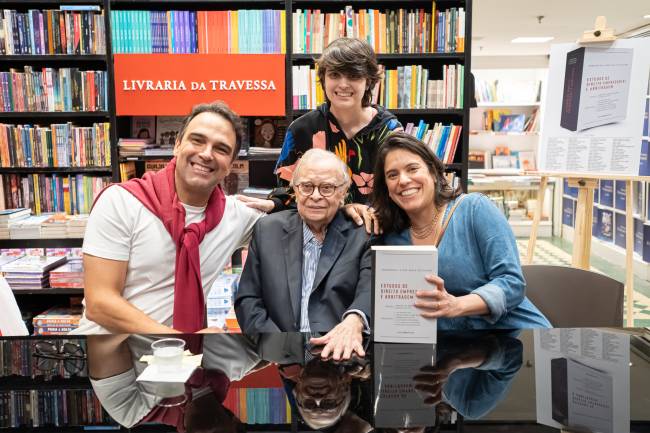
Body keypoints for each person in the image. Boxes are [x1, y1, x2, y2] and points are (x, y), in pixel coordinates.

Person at [72, 101, 263, 334]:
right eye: (197, 140)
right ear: (177, 145)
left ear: (230, 165)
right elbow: (99, 303)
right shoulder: (121, 202)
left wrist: (278, 201)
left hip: (178, 360)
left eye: (221, 149)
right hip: (109, 352)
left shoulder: (236, 217)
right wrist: (180, 342)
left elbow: (300, 219)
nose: (206, 154)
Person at [370, 132, 551, 329]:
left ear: (433, 172)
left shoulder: (475, 209)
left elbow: (512, 283)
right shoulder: (392, 237)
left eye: (412, 169)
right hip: (455, 351)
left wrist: (457, 305)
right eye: (392, 175)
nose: (403, 180)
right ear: (386, 187)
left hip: (515, 338)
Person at [237, 37, 402, 231]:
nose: (343, 84)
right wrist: (275, 203)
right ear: (323, 79)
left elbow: (400, 191)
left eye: (353, 76)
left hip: (375, 234)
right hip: (318, 235)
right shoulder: (301, 130)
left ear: (369, 82)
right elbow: (291, 192)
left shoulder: (389, 131)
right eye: (334, 75)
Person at [235, 149, 371, 360]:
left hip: (343, 356)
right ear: (295, 190)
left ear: (343, 193)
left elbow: (369, 290)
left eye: (327, 188)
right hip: (279, 356)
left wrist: (354, 321)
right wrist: (279, 346)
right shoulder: (267, 230)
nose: (315, 196)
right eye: (306, 187)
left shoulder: (361, 233)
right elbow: (248, 300)